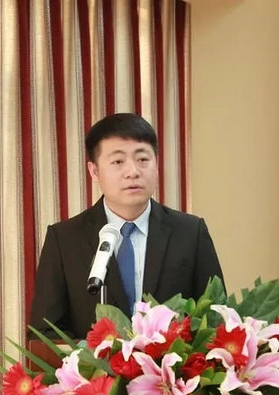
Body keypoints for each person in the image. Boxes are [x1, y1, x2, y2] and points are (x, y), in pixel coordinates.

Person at [30, 113, 224, 338]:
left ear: (156, 165)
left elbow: (216, 318)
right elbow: (45, 332)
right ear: (94, 171)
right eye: (118, 162)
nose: (133, 172)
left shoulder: (190, 232)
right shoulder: (65, 239)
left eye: (142, 159)